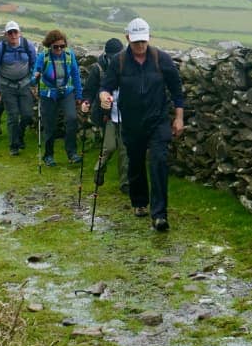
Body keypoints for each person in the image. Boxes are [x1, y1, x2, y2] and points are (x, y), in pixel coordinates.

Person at [99, 18, 184, 232]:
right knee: (135, 163)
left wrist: (179, 117)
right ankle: (139, 202)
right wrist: (104, 96)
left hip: (157, 120)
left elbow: (176, 88)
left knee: (159, 162)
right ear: (127, 38)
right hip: (132, 122)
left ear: (149, 38)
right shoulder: (119, 61)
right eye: (136, 42)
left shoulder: (160, 59)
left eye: (143, 41)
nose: (140, 46)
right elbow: (106, 86)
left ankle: (159, 215)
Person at [82, 38, 129, 193]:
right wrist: (87, 102)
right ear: (107, 55)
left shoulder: (130, 67)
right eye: (113, 56)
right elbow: (89, 89)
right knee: (109, 147)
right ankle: (99, 169)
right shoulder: (99, 69)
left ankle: (125, 184)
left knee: (124, 151)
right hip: (107, 116)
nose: (116, 59)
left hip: (126, 117)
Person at [34, 29, 84, 166]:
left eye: (62, 46)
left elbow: (75, 75)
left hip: (66, 92)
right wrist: (35, 78)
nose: (59, 49)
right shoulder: (42, 56)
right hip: (48, 95)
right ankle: (48, 156)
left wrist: (79, 94)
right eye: (56, 46)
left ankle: (72, 153)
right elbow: (34, 75)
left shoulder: (69, 55)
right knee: (50, 125)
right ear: (49, 45)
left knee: (72, 119)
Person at [0, 21, 36, 156]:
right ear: (6, 35)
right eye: (10, 32)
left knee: (27, 115)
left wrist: (34, 82)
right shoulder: (0, 48)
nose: (13, 35)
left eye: (15, 32)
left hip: (25, 85)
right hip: (7, 87)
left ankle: (20, 135)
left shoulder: (28, 46)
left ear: (19, 32)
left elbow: (35, 65)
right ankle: (14, 146)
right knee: (13, 116)